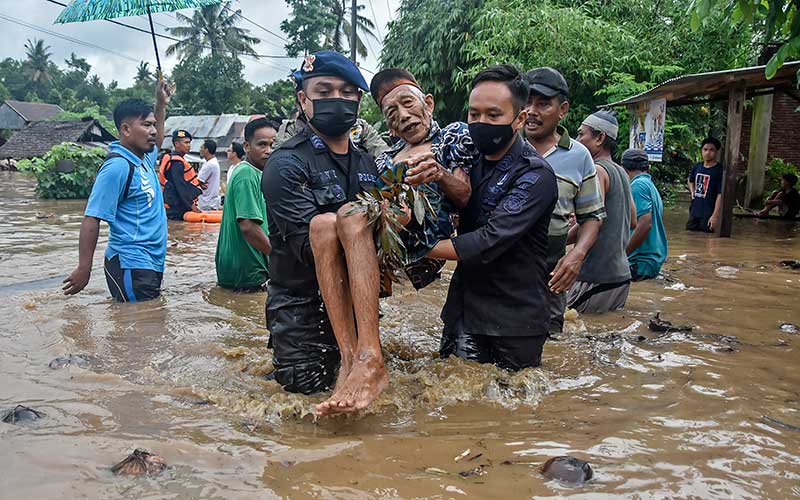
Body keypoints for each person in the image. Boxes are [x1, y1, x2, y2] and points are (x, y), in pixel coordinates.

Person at [311, 69, 477, 417]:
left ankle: (371, 357)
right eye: (392, 113)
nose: (403, 116)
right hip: (395, 248)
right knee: (322, 226)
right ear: (388, 125)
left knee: (351, 215)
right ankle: (349, 358)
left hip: (431, 242)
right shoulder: (385, 159)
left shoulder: (452, 138)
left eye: (408, 104)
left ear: (427, 104)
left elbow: (464, 195)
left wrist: (438, 173)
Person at [261, 51, 379, 397]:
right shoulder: (285, 165)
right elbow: (309, 247)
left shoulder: (368, 165)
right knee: (307, 419)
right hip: (300, 317)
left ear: (358, 101)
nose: (336, 100)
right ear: (304, 99)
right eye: (324, 92)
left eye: (346, 93)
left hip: (359, 313)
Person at [427, 64, 557, 371]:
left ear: (519, 118)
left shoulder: (535, 175)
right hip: (464, 309)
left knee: (510, 409)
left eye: (493, 115)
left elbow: (489, 240)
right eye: (474, 114)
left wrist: (420, 248)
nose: (481, 122)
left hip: (514, 322)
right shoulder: (465, 159)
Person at [63, 81, 171, 302]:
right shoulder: (117, 167)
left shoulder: (144, 159)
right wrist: (84, 268)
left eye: (153, 124)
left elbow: (158, 138)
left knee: (145, 326)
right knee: (137, 330)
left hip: (150, 262)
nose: (152, 131)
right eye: (146, 125)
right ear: (126, 129)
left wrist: (160, 104)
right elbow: (92, 218)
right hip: (130, 263)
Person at [523, 67, 605, 334]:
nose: (532, 111)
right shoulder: (506, 146)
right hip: (505, 268)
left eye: (543, 103)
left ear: (563, 109)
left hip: (552, 270)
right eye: (527, 102)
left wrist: (577, 256)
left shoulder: (579, 156)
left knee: (551, 342)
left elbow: (592, 217)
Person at [567, 111, 636, 313]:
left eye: (581, 134)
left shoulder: (597, 171)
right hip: (620, 277)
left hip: (595, 277)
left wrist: (554, 242)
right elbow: (632, 221)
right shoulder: (621, 171)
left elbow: (593, 221)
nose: (577, 140)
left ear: (600, 138)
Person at [215, 119, 276, 292]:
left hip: (244, 267)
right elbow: (248, 227)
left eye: (273, 144)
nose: (268, 151)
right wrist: (279, 258)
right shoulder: (246, 174)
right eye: (262, 145)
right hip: (247, 269)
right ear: (247, 146)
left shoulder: (257, 173)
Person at [274, 98, 389, 158]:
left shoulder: (360, 128)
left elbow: (383, 155)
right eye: (323, 93)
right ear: (301, 101)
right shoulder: (290, 131)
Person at [623, 149, 668, 280]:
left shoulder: (637, 186)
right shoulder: (650, 185)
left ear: (623, 168)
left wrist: (622, 255)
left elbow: (645, 223)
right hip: (650, 260)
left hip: (640, 261)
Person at [160, 129, 202, 220]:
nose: (189, 145)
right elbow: (180, 185)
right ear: (177, 144)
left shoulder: (176, 160)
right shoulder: (176, 162)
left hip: (173, 204)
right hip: (176, 207)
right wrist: (191, 205)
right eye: (186, 142)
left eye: (189, 143)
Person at [686, 137, 723, 232]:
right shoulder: (697, 166)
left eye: (711, 150)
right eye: (705, 149)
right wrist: (692, 192)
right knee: (690, 235)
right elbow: (690, 180)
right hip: (694, 211)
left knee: (707, 238)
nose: (708, 153)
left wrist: (715, 216)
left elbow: (720, 194)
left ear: (716, 152)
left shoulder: (719, 170)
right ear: (702, 151)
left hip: (708, 213)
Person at [197, 139, 221, 211]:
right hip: (208, 201)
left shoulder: (210, 164)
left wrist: (199, 183)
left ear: (206, 150)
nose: (200, 150)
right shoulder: (208, 162)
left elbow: (197, 180)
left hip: (208, 202)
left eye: (201, 147)